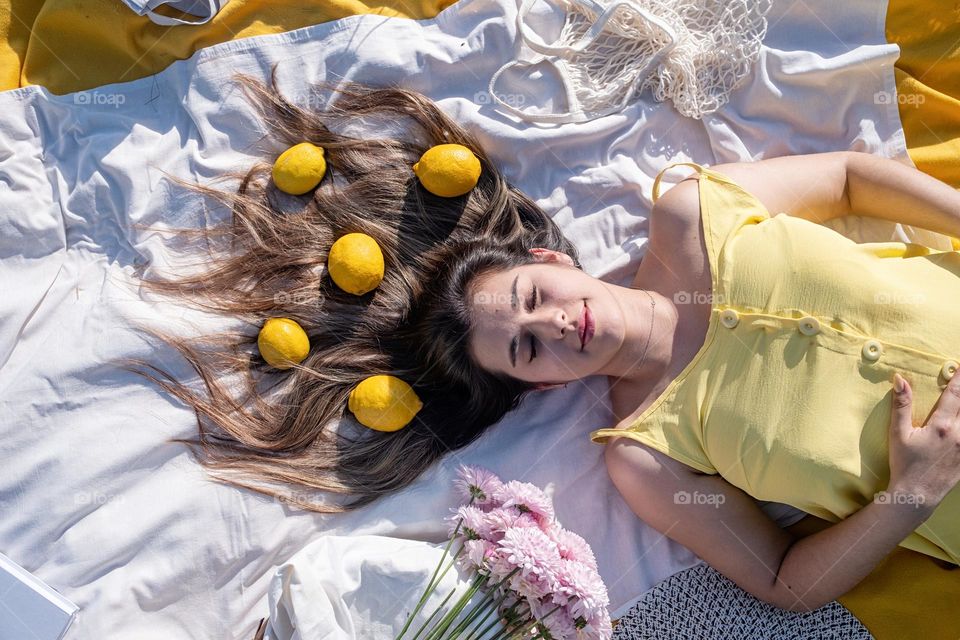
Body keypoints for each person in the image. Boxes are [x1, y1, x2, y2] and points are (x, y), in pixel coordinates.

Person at [135, 73, 960, 612]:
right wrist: (913, 493)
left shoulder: (689, 216)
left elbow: (853, 177)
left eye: (534, 299)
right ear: (546, 388)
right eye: (528, 348)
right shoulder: (646, 458)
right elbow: (786, 584)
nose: (558, 324)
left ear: (549, 259)